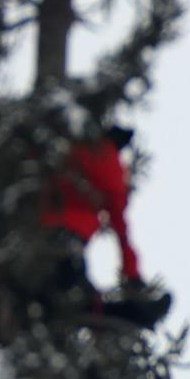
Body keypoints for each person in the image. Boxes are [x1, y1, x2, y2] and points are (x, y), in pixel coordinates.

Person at [31, 124, 169, 328]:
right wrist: (132, 274)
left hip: (36, 230)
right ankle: (135, 315)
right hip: (69, 237)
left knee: (57, 295)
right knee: (78, 303)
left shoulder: (73, 146)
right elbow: (121, 228)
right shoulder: (112, 167)